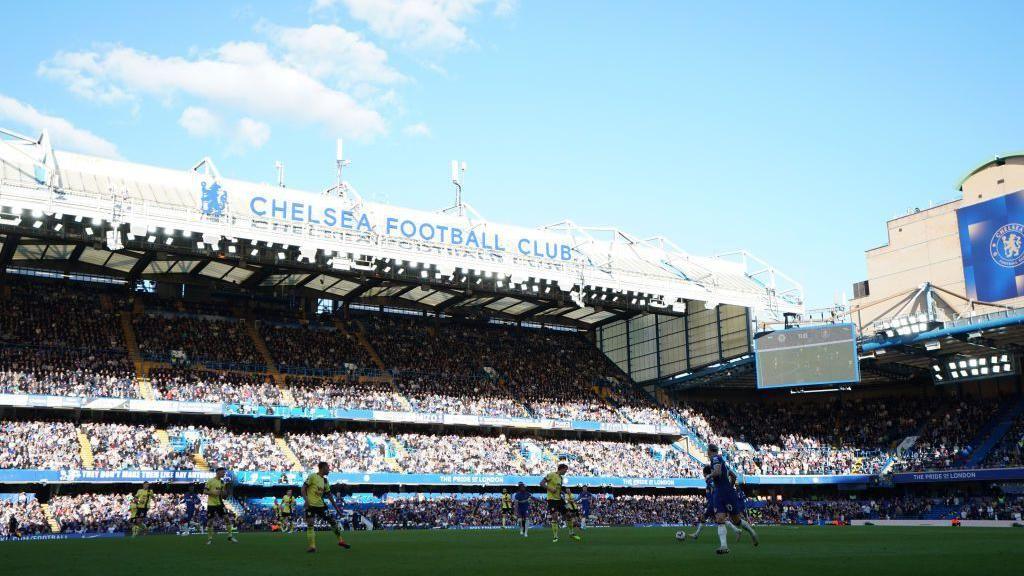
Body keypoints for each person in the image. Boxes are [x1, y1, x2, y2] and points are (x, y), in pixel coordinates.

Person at [708, 445, 758, 555]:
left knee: (731, 520)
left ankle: (750, 532)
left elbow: (717, 472)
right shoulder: (723, 462)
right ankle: (724, 546)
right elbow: (734, 476)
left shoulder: (715, 458)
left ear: (709, 451)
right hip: (725, 492)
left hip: (721, 492)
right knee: (725, 519)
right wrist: (729, 487)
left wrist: (709, 476)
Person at [301, 461, 351, 553]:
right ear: (323, 468)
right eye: (327, 468)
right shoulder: (312, 476)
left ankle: (341, 541)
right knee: (310, 523)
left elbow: (330, 496)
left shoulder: (325, 481)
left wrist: (338, 510)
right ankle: (312, 546)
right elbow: (303, 488)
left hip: (321, 505)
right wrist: (306, 500)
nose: (329, 470)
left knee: (332, 521)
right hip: (310, 505)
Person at [690, 465, 739, 541]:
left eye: (704, 473)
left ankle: (696, 535)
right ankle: (736, 530)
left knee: (704, 518)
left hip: (714, 503)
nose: (703, 475)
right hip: (713, 502)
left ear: (705, 473)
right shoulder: (710, 480)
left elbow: (715, 487)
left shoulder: (710, 480)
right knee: (719, 520)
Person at [540, 463, 580, 543]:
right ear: (561, 469)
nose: (566, 471)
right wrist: (550, 489)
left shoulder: (561, 478)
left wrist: (563, 492)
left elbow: (559, 489)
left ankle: (571, 533)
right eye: (565, 470)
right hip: (552, 499)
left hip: (559, 499)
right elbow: (541, 483)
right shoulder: (551, 475)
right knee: (554, 516)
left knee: (568, 514)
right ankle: (555, 537)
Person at [204, 467, 238, 544]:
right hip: (211, 504)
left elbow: (223, 494)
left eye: (224, 472)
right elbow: (205, 491)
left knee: (227, 518)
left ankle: (230, 536)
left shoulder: (222, 482)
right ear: (218, 472)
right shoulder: (210, 481)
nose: (224, 474)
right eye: (223, 472)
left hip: (220, 503)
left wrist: (225, 492)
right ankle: (209, 539)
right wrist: (213, 492)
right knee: (210, 522)